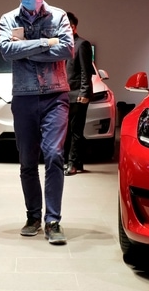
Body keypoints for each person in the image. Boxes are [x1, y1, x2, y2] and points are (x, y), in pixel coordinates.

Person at [0, 0, 74, 245]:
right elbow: (6, 50)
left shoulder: (59, 16)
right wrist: (45, 43)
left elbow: (66, 49)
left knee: (54, 155)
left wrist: (27, 50)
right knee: (27, 161)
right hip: (24, 97)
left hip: (56, 95)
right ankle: (33, 216)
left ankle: (52, 221)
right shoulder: (8, 20)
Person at [63, 11, 94, 176]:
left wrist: (84, 92)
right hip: (65, 94)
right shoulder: (64, 45)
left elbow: (85, 71)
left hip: (78, 95)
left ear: (73, 27)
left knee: (75, 131)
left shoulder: (82, 45)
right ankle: (77, 162)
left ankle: (73, 163)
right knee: (67, 131)